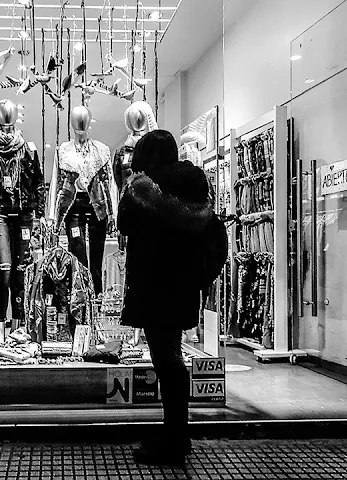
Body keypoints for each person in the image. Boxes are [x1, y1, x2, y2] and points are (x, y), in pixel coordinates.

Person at [118, 129, 213, 466]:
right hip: (183, 287)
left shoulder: (142, 187)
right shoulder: (195, 186)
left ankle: (174, 440)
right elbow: (212, 234)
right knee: (173, 359)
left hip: (154, 286)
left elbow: (124, 223)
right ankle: (176, 434)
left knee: (167, 362)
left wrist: (130, 184)